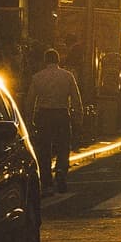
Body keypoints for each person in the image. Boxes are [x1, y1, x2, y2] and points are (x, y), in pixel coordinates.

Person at [26, 47, 84, 194]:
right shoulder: (68, 76)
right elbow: (76, 99)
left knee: (44, 149)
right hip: (62, 114)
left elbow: (30, 101)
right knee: (63, 146)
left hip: (43, 115)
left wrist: (29, 120)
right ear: (58, 60)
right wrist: (79, 118)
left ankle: (47, 181)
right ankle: (61, 172)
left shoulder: (37, 77)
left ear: (45, 61)